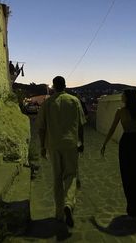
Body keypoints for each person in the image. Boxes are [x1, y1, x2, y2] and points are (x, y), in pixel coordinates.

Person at [37, 76, 86, 228]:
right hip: (71, 143)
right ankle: (68, 204)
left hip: (54, 145)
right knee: (70, 175)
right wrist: (81, 142)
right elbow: (81, 124)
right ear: (65, 85)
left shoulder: (47, 103)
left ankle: (59, 214)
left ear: (53, 87)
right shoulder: (74, 101)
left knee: (57, 178)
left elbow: (41, 128)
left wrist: (42, 147)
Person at [100, 89, 136, 222]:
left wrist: (105, 143)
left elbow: (112, 128)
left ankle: (132, 208)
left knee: (127, 176)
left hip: (126, 143)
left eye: (123, 95)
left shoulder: (120, 111)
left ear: (127, 98)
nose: (121, 96)